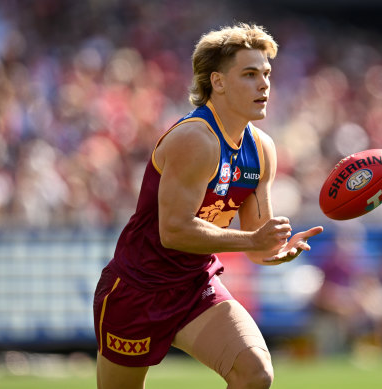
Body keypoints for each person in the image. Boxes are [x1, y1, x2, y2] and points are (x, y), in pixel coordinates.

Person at [93, 23, 324, 389]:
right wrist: (253, 242)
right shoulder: (195, 139)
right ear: (217, 82)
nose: (264, 84)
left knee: (255, 374)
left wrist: (275, 249)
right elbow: (174, 232)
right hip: (137, 290)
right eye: (249, 74)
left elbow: (256, 242)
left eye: (266, 74)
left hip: (195, 285)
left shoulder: (262, 149)